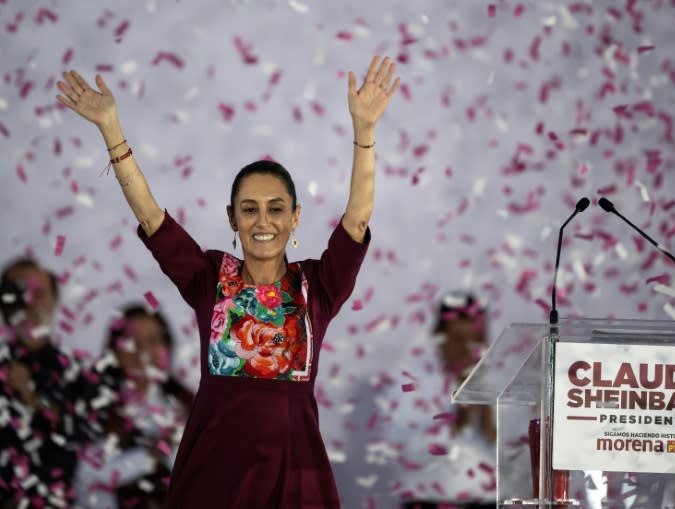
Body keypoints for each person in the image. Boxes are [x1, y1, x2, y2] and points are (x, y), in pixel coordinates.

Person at [55, 54, 399, 508]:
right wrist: (111, 129)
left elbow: (357, 218)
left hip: (294, 476)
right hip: (216, 475)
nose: (263, 220)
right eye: (249, 208)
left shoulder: (318, 286)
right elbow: (151, 217)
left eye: (276, 208)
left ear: (295, 219)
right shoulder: (210, 279)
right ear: (232, 218)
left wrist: (365, 130)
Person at [0, 257, 103, 508]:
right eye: (18, 292)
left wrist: (31, 396)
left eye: (39, 292)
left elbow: (87, 442)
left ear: (55, 300)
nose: (29, 302)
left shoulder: (82, 373)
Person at [74, 304, 194, 508]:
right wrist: (150, 455)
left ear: (167, 347)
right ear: (114, 349)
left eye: (153, 341)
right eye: (131, 341)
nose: (143, 351)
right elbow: (85, 474)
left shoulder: (187, 404)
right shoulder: (94, 403)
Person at [391, 290, 497, 508]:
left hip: (487, 502)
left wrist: (493, 428)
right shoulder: (411, 380)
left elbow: (522, 455)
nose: (469, 348)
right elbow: (399, 446)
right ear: (438, 335)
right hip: (426, 500)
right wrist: (458, 420)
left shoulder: (502, 378)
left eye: (476, 338)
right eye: (458, 339)